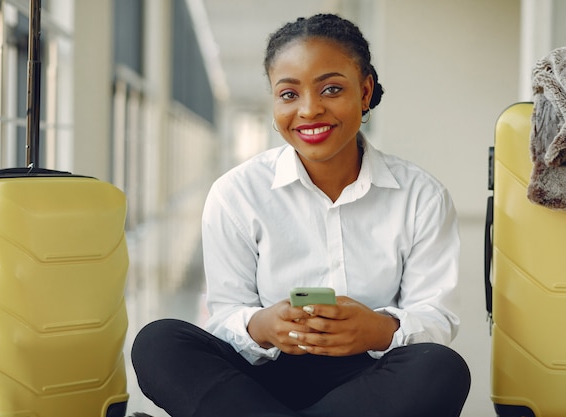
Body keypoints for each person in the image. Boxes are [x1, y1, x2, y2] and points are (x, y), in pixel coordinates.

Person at [132, 13, 471, 417]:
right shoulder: (236, 193)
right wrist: (262, 325)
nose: (309, 110)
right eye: (289, 94)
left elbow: (436, 316)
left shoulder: (422, 196)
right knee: (159, 342)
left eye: (331, 89)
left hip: (369, 380)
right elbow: (226, 314)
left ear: (365, 93)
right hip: (262, 377)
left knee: (442, 369)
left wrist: (378, 328)